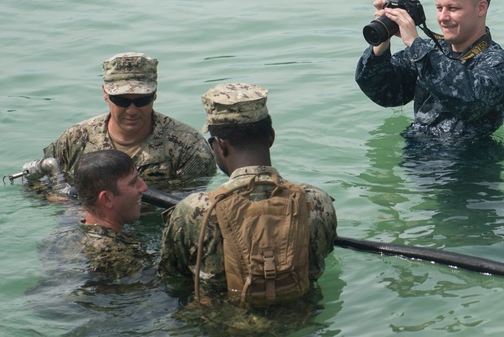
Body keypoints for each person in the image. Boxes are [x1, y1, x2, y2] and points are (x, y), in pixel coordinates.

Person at [159, 83, 337, 303]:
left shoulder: (194, 210)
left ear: (220, 146)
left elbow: (172, 278)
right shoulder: (317, 201)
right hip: (301, 323)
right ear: (271, 137)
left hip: (224, 329)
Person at [355, 0, 504, 138]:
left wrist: (415, 44)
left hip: (468, 163)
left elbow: (469, 101)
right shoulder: (430, 50)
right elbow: (385, 93)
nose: (443, 17)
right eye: (439, 8)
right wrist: (382, 42)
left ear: (481, 8)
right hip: (415, 159)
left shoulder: (496, 62)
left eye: (453, 8)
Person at [43, 52, 216, 188]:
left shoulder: (188, 146)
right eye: (122, 101)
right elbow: (39, 185)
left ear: (155, 94)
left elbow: (190, 206)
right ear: (105, 93)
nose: (132, 110)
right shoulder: (75, 139)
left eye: (142, 100)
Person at [69, 149, 152, 278]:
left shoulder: (60, 239)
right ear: (106, 199)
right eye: (133, 182)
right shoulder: (123, 256)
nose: (144, 187)